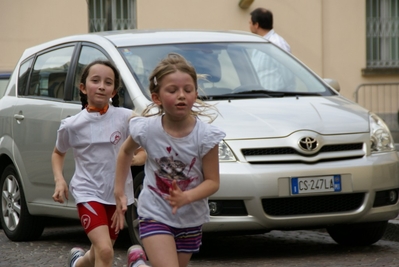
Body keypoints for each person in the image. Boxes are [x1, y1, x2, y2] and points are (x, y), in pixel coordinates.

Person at [112, 53, 226, 267]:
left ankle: (138, 264)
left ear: (195, 93)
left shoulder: (206, 136)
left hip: (190, 218)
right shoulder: (147, 129)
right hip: (154, 212)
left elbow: (213, 182)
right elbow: (125, 152)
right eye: (172, 91)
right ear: (157, 98)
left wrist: (187, 197)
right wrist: (120, 191)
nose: (181, 95)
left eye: (188, 90)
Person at [51, 59, 146, 267]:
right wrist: (60, 180)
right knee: (105, 250)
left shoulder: (126, 118)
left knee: (99, 252)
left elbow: (143, 151)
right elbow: (58, 152)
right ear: (83, 87)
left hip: (117, 195)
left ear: (114, 91)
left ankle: (76, 263)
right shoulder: (71, 125)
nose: (102, 86)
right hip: (87, 192)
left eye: (108, 82)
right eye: (96, 80)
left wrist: (133, 159)